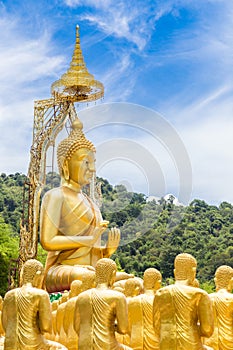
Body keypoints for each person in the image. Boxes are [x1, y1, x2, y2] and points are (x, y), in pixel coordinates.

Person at [40, 118, 120, 292]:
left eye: (93, 163)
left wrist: (106, 251)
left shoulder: (91, 203)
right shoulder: (55, 196)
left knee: (130, 281)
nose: (91, 169)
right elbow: (47, 241)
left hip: (91, 269)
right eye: (86, 162)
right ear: (65, 163)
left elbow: (93, 252)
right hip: (63, 270)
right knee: (89, 278)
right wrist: (88, 240)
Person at [153, 253, 214, 350]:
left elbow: (156, 327)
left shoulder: (160, 293)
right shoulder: (199, 294)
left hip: (165, 343)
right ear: (193, 271)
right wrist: (191, 327)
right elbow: (207, 330)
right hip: (190, 343)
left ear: (175, 271)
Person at [2, 259, 66, 350]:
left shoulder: (9, 295)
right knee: (61, 348)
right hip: (33, 343)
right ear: (38, 275)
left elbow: (5, 325)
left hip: (10, 343)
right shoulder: (41, 295)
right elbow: (46, 327)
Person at [74, 258, 132, 350]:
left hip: (83, 345)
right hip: (107, 345)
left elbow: (76, 326)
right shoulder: (117, 297)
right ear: (113, 274)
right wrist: (113, 325)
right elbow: (123, 329)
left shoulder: (81, 297)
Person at [128, 268, 162, 350]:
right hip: (155, 342)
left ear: (144, 282)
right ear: (157, 282)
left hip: (136, 341)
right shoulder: (159, 301)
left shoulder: (133, 301)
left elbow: (128, 326)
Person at [203, 265, 233, 350]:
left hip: (209, 341)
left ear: (215, 281)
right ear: (231, 281)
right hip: (229, 339)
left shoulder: (207, 298)